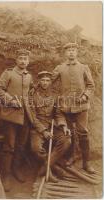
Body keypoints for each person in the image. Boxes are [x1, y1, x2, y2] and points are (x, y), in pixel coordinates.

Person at [52, 43, 95, 174]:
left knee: (83, 132)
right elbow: (50, 81)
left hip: (81, 106)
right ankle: (71, 157)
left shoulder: (83, 67)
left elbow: (91, 85)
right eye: (69, 50)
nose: (71, 52)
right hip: (66, 107)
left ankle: (86, 162)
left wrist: (84, 96)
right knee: (69, 133)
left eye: (73, 50)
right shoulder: (60, 68)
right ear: (65, 53)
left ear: (77, 53)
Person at [0, 49, 33, 191]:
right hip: (10, 115)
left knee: (21, 145)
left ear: (28, 61)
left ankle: (16, 170)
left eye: (25, 59)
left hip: (25, 117)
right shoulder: (8, 73)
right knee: (9, 146)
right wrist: (11, 101)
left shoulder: (29, 76)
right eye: (21, 58)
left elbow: (30, 93)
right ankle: (6, 176)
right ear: (16, 60)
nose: (23, 61)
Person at [29, 71, 71, 180]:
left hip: (52, 125)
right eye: (42, 80)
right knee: (36, 148)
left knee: (66, 140)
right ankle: (55, 168)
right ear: (39, 81)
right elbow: (32, 117)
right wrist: (43, 131)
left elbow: (58, 114)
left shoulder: (55, 95)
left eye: (47, 80)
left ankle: (45, 167)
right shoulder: (32, 95)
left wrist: (64, 126)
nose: (45, 83)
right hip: (37, 127)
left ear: (50, 82)